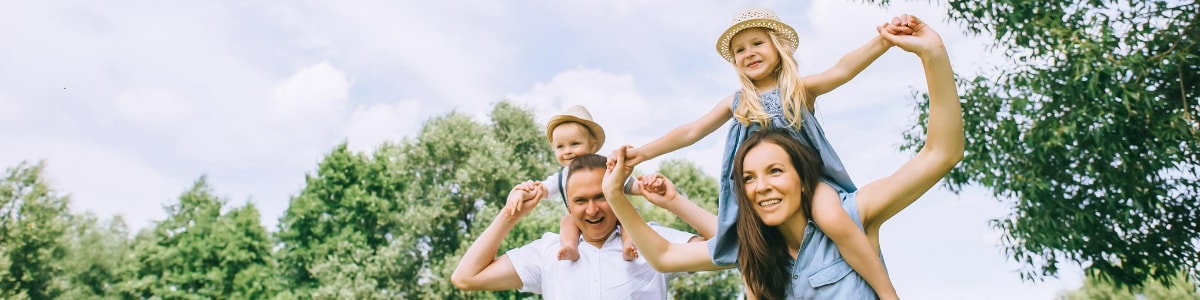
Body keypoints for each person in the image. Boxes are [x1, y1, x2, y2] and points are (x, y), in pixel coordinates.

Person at [603, 14, 962, 299]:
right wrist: (640, 154)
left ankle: (887, 293)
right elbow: (691, 131)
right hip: (769, 224)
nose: (749, 53)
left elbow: (843, 68)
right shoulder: (738, 103)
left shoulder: (797, 90)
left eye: (757, 43)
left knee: (832, 215)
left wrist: (884, 40)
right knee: (752, 251)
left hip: (814, 182)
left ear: (778, 49)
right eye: (739, 50)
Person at [451, 154, 718, 299]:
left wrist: (673, 201)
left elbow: (733, 247)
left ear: (617, 195)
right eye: (580, 200)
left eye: (601, 196)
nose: (592, 210)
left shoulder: (652, 241)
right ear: (568, 204)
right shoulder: (547, 252)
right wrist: (509, 216)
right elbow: (465, 277)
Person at [501, 105, 641, 261]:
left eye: (574, 144)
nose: (567, 151)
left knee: (630, 213)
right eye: (560, 146)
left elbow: (631, 186)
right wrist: (521, 192)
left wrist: (647, 186)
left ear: (592, 145)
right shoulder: (561, 178)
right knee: (567, 220)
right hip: (583, 223)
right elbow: (540, 189)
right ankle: (570, 246)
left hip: (615, 215)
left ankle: (628, 244)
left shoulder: (606, 167)